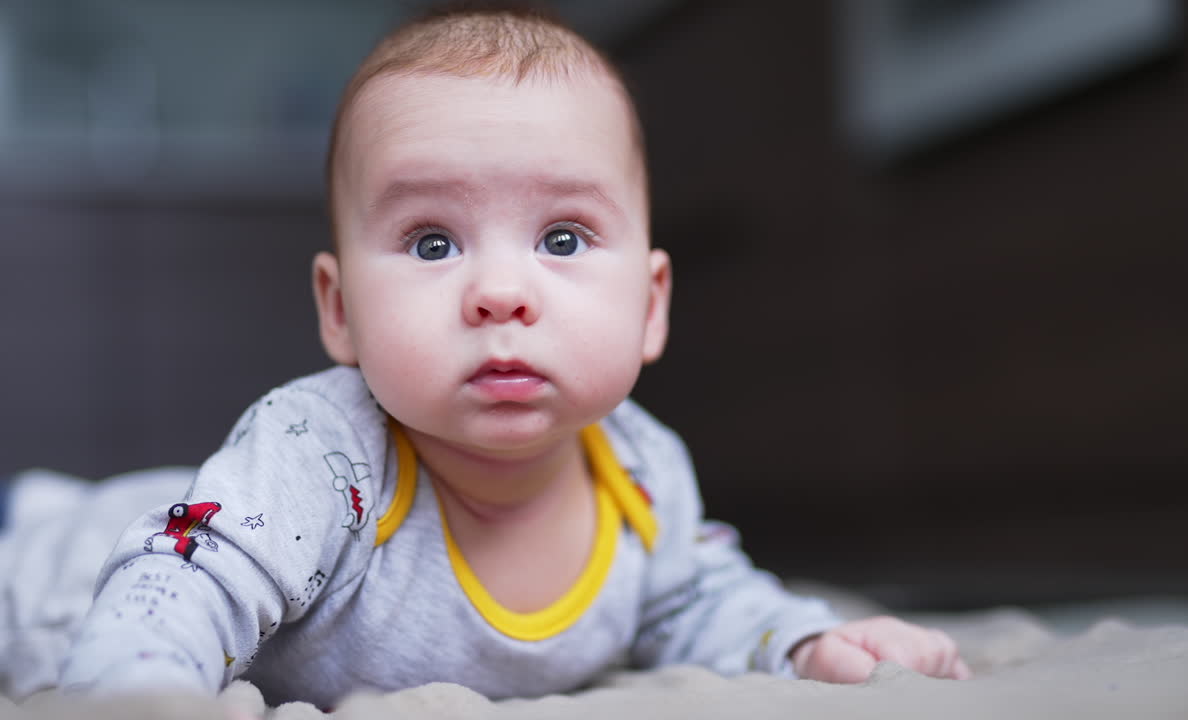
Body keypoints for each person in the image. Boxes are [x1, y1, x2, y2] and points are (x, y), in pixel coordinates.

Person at [56, 2, 969, 707]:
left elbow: (697, 603)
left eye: (563, 239)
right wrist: (143, 688)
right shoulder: (322, 452)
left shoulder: (642, 473)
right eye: (432, 243)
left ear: (651, 307)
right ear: (340, 313)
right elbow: (187, 577)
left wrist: (807, 645)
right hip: (59, 571)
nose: (502, 291)